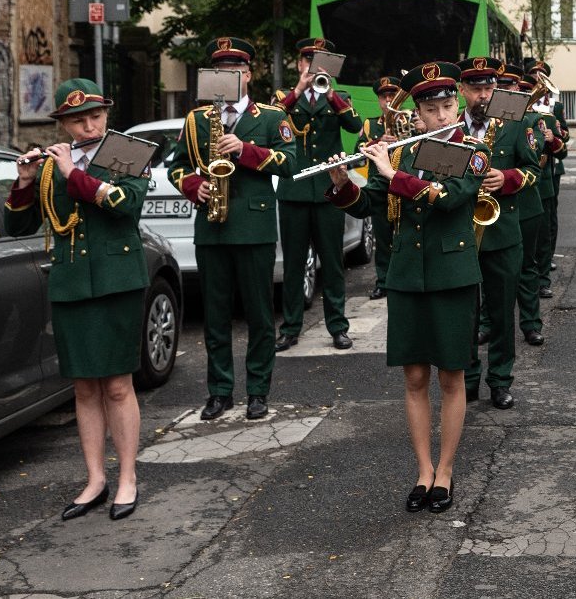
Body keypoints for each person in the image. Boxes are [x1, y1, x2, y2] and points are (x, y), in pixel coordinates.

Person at [325, 61, 481, 514]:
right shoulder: (401, 152)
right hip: (408, 274)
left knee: (451, 376)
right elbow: (371, 204)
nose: (443, 116)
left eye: (449, 106)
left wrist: (393, 175)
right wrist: (343, 183)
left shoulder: (471, 150)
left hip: (452, 276)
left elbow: (448, 196)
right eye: (432, 110)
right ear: (417, 114)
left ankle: (447, 472)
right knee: (415, 377)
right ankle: (423, 471)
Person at [4, 79, 151, 521]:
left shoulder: (124, 152)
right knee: (84, 387)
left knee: (118, 385)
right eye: (77, 120)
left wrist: (74, 173)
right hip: (71, 284)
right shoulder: (50, 166)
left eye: (96, 116)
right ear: (64, 124)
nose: (88, 126)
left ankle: (127, 478)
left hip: (117, 282)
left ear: (106, 115)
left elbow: (126, 205)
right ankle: (95, 480)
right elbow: (17, 228)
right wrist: (26, 181)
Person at [163, 37, 293, 422]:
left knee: (258, 315)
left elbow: (289, 162)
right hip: (212, 228)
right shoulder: (196, 120)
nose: (230, 76)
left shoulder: (270, 117)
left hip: (254, 228)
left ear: (248, 74)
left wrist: (245, 150)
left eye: (236, 69)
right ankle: (219, 392)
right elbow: (176, 166)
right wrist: (192, 185)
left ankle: (257, 391)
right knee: (215, 316)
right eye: (221, 71)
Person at [460, 57, 541, 409]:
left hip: (502, 231)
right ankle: (466, 378)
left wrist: (507, 179)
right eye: (475, 88)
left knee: (502, 311)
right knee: (462, 312)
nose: (482, 95)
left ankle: (500, 380)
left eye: (488, 88)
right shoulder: (449, 128)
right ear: (462, 90)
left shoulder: (514, 121)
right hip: (459, 232)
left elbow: (533, 169)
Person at [276, 37, 363, 352]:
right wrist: (299, 89)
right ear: (299, 65)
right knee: (294, 264)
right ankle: (290, 328)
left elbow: (354, 126)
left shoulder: (340, 97)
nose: (313, 69)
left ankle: (338, 327)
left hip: (328, 190)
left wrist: (331, 94)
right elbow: (272, 118)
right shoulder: (284, 97)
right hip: (295, 190)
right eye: (308, 62)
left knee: (332, 261)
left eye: (320, 64)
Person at [516, 63, 568, 346]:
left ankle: (542, 281)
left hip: (540, 183)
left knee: (542, 238)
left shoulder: (547, 114)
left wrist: (553, 139)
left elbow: (564, 143)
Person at [359, 76, 410, 300]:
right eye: (384, 96)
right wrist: (380, 140)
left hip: (405, 185)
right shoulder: (371, 124)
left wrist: (417, 130)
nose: (388, 100)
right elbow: (358, 149)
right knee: (382, 238)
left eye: (392, 95)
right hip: (380, 187)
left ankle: (405, 279)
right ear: (379, 100)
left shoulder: (411, 119)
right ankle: (383, 281)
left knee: (406, 236)